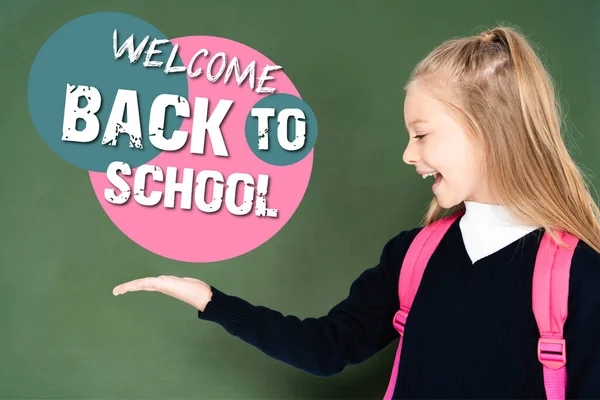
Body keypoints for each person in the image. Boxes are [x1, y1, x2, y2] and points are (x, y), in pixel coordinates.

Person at [112, 26, 600, 399]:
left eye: (422, 134)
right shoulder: (412, 256)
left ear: (490, 129)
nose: (409, 155)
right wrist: (213, 301)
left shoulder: (580, 275)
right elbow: (328, 348)